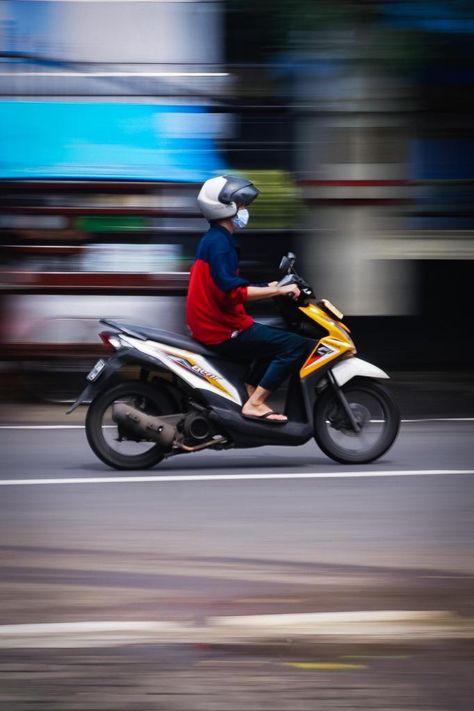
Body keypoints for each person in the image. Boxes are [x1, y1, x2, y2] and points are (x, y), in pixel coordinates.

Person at [186, 175, 310, 424]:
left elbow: (230, 285)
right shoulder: (221, 244)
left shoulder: (215, 239)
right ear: (225, 207)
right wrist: (277, 291)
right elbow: (232, 292)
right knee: (295, 345)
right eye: (241, 206)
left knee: (272, 336)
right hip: (221, 328)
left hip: (215, 323)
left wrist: (270, 286)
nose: (244, 211)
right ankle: (254, 404)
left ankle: (250, 390)